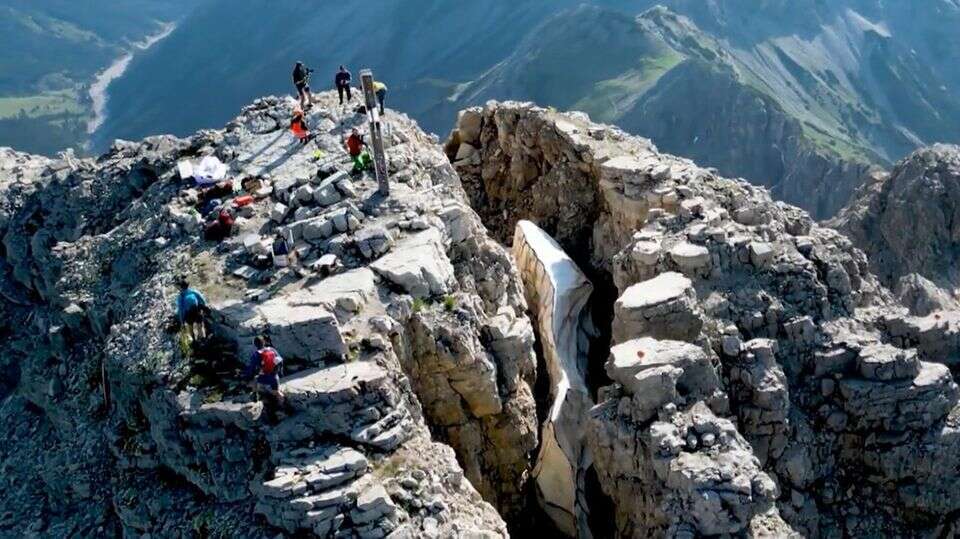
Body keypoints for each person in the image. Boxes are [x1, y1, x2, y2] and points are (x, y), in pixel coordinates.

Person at [244, 336, 284, 403]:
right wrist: (280, 372)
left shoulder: (256, 354)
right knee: (276, 392)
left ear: (255, 344)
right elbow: (280, 360)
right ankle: (284, 405)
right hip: (275, 376)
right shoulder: (272, 349)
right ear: (264, 342)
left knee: (255, 379)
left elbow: (251, 368)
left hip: (266, 377)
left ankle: (255, 396)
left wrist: (246, 376)